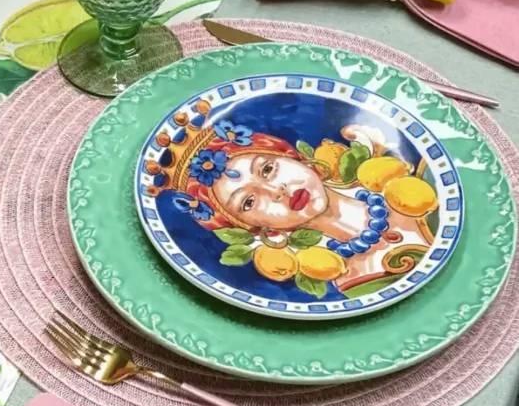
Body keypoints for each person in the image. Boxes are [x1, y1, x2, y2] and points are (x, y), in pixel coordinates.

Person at [147, 103, 438, 295]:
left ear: (296, 158)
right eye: (248, 202)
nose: (277, 191)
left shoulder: (422, 180)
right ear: (255, 228)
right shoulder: (346, 286)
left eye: (268, 168)